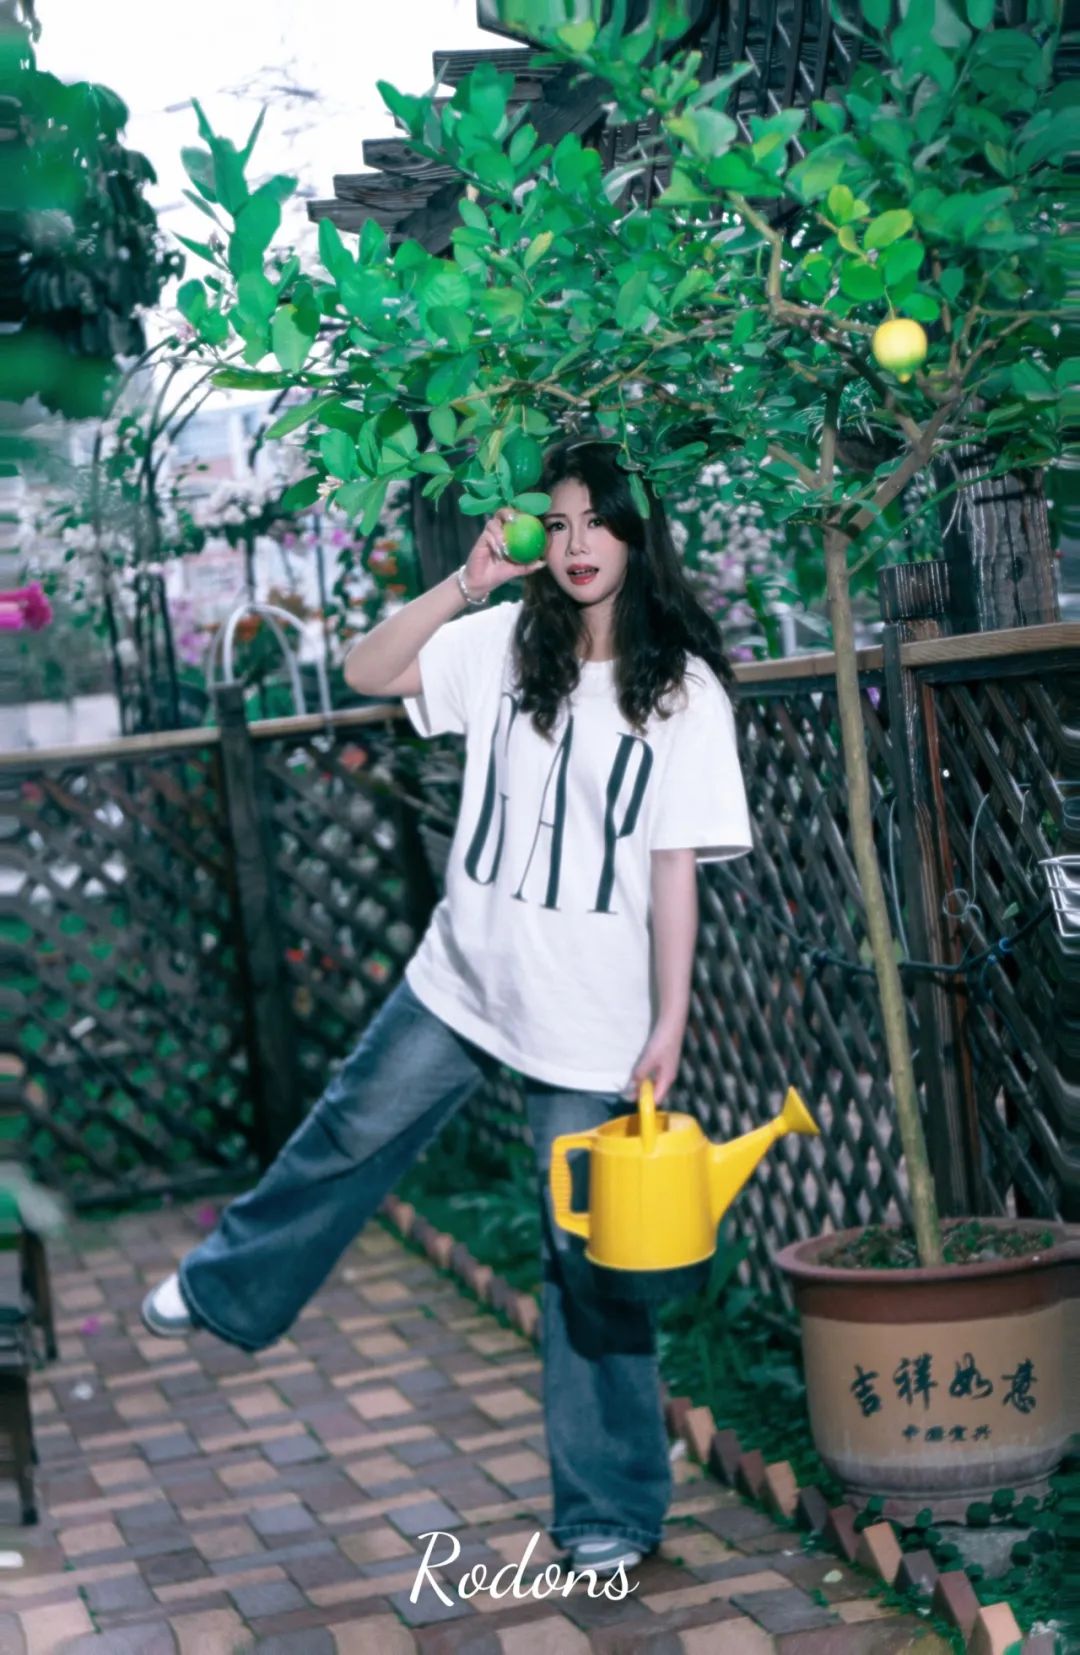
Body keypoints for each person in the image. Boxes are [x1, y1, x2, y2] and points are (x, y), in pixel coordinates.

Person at [141, 438, 753, 1576]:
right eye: (557, 523)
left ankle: (609, 1508)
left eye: (597, 522)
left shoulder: (684, 692)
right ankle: (226, 1286)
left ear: (635, 535)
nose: (575, 544)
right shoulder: (507, 644)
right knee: (348, 1130)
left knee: (589, 1257)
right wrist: (467, 582)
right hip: (463, 976)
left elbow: (675, 867)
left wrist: (669, 1019)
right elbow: (369, 669)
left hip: (589, 1018)